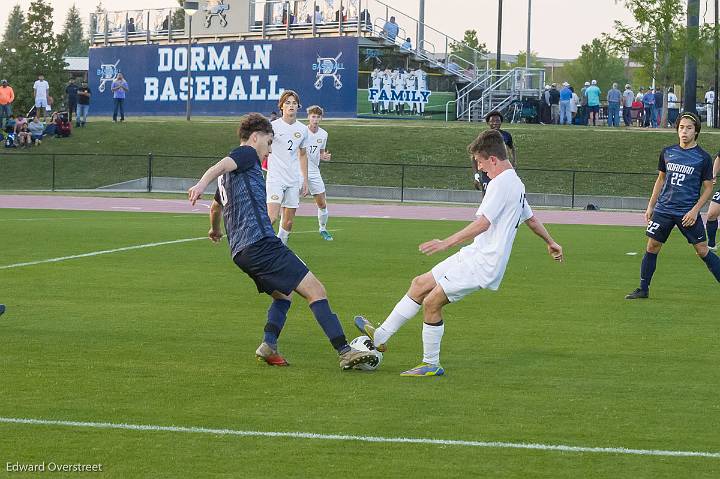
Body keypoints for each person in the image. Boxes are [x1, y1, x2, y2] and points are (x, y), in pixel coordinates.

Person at [354, 129, 563, 376]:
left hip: (483, 262)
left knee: (432, 302)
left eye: (482, 163)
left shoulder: (500, 183)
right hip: (475, 253)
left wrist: (446, 243)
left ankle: (431, 363)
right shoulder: (516, 183)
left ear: (493, 159)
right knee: (420, 284)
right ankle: (380, 336)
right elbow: (531, 218)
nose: (481, 169)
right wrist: (551, 242)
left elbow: (483, 223)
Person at [187, 113, 376, 370]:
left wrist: (214, 230)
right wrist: (199, 183)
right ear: (255, 137)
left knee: (283, 295)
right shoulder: (246, 155)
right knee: (316, 291)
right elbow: (217, 167)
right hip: (261, 244)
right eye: (269, 141)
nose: (269, 149)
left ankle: (268, 345)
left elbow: (215, 208)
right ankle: (345, 351)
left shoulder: (228, 177)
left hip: (240, 253)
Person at [625, 113, 720, 299]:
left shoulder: (703, 157)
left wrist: (695, 211)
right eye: (681, 127)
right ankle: (643, 289)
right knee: (652, 246)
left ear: (696, 131)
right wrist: (650, 206)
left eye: (689, 128)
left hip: (687, 212)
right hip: (663, 209)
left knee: (702, 249)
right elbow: (660, 180)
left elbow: (708, 188)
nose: (684, 131)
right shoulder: (667, 152)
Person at [266, 90, 309, 245]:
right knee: (272, 217)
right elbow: (262, 148)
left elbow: (303, 155)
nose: (291, 105)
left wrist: (305, 180)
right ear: (281, 106)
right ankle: (259, 247)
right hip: (276, 178)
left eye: (294, 103)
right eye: (287, 103)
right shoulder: (272, 127)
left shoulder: (303, 130)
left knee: (289, 222)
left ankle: (280, 249)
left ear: (298, 107)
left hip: (293, 179)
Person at [305, 105, 333, 241]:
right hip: (298, 171)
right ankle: (281, 233)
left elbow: (321, 153)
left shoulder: (323, 134)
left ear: (321, 118)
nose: (315, 119)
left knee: (322, 203)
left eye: (318, 117)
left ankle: (322, 228)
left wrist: (324, 157)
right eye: (313, 116)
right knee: (288, 203)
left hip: (314, 171)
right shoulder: (301, 131)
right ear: (308, 117)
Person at [472, 110, 516, 191]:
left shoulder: (506, 135)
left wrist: (513, 163)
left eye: (498, 121)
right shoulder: (483, 136)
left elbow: (511, 148)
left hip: (502, 170)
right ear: (488, 123)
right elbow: (474, 155)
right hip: (488, 170)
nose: (495, 123)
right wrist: (476, 175)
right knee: (487, 193)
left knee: (502, 192)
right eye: (492, 121)